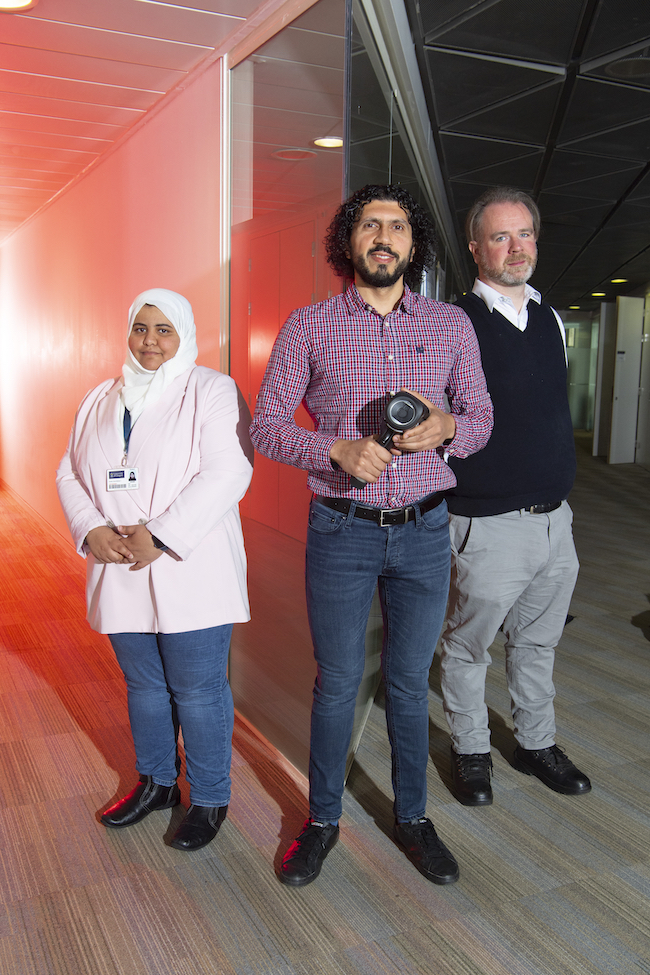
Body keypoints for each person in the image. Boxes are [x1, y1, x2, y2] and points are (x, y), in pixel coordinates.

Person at [250, 184, 493, 887]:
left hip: (423, 532)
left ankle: (413, 818)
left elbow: (479, 419)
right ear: (348, 242)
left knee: (412, 682)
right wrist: (335, 451)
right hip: (341, 531)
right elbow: (267, 424)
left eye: (396, 226)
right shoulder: (309, 324)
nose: (383, 235)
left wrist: (447, 426)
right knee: (336, 685)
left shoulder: (451, 326)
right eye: (368, 225)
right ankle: (322, 820)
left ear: (413, 244)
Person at [57, 288, 253, 850]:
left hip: (189, 564)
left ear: (185, 334)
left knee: (196, 689)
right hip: (116, 561)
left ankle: (210, 798)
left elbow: (228, 472)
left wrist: (160, 536)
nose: (150, 340)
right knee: (144, 685)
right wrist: (91, 529)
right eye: (141, 328)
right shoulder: (100, 397)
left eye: (163, 330)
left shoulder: (211, 390)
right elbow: (69, 471)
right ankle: (157, 784)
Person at [440, 186, 592, 806]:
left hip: (557, 521)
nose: (515, 248)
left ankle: (536, 741)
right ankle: (472, 750)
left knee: (538, 643)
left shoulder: (551, 317)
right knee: (470, 647)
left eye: (524, 234)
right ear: (475, 248)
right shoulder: (455, 323)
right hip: (489, 523)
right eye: (499, 236)